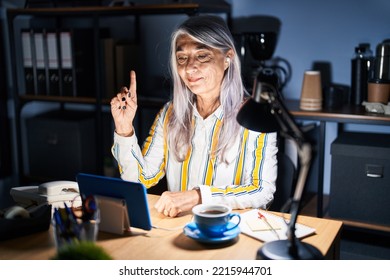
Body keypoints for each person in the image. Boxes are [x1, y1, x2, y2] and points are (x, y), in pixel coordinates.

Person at [110, 15, 278, 218]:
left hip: (230, 232)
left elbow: (262, 191)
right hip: (178, 227)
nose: (189, 67)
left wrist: (198, 196)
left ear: (228, 58)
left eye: (202, 55)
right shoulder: (170, 114)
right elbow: (140, 180)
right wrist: (124, 128)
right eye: (182, 58)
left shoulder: (254, 116)